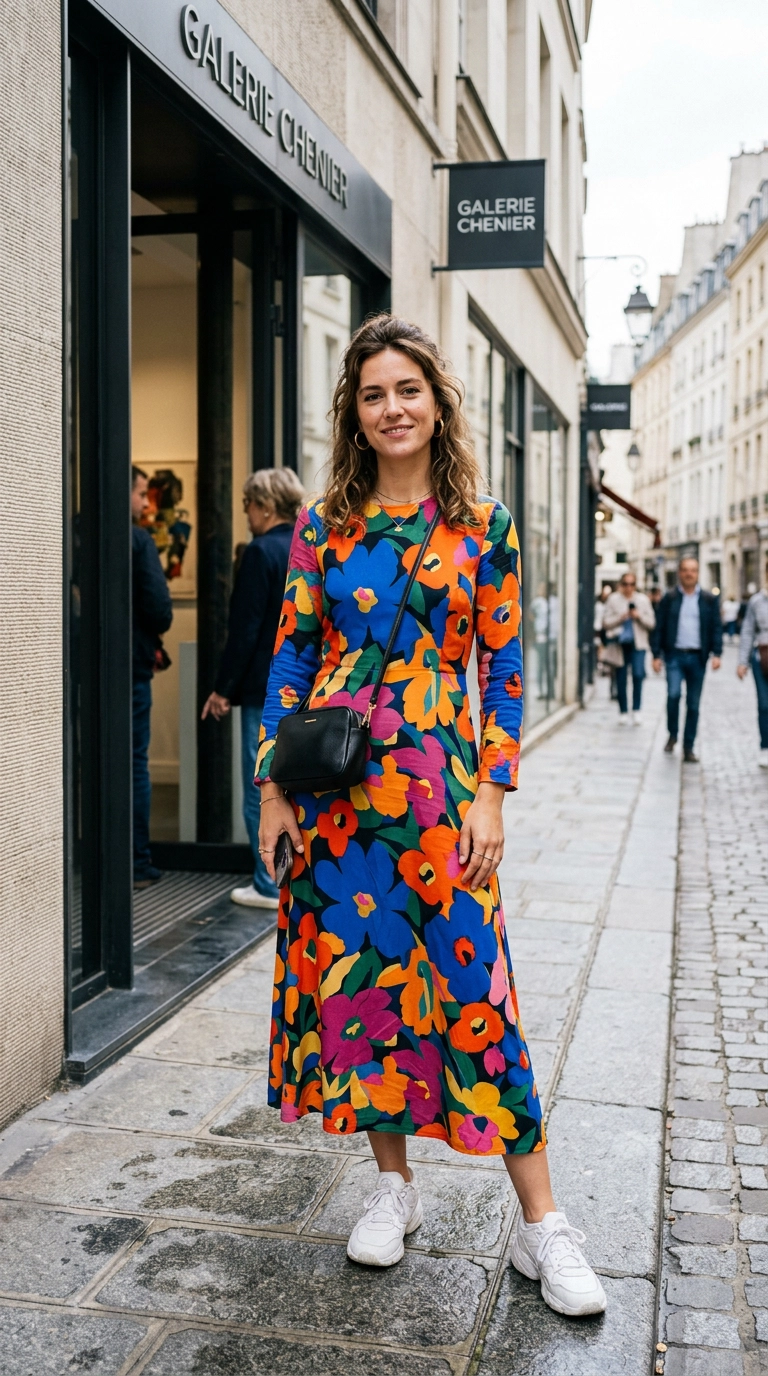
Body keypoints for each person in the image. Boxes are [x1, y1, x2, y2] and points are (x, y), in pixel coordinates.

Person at [256, 314, 606, 1317]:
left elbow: (502, 666)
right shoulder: (325, 523)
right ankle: (394, 1185)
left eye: (406, 387)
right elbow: (290, 654)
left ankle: (545, 1224)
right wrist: (274, 784)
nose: (391, 406)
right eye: (373, 393)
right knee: (362, 983)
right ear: (355, 414)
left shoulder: (483, 524)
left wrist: (494, 789)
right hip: (333, 800)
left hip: (440, 797)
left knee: (475, 991)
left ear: (436, 400)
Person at [202, 467, 306, 908]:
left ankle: (268, 885)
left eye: (247, 503)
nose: (244, 511)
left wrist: (222, 688)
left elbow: (244, 631)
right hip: (306, 689)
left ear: (264, 506)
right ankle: (290, 878)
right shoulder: (304, 547)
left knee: (260, 786)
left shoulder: (260, 552)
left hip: (265, 690)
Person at [131, 466, 173, 888]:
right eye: (141, 493)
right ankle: (137, 863)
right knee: (134, 763)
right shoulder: (138, 541)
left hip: (79, 670)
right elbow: (161, 609)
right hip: (131, 669)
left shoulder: (73, 533)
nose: (146, 503)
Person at [651, 556, 722, 762]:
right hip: (674, 656)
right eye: (685, 570)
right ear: (680, 573)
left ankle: (688, 746)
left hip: (698, 658)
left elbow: (716, 627)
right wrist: (656, 655)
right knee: (673, 696)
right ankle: (673, 733)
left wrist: (717, 654)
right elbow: (659, 627)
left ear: (697, 573)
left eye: (693, 570)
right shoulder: (670, 598)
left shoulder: (708, 599)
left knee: (693, 704)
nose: (689, 574)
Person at [601, 572, 655, 725]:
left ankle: (636, 709)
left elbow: (651, 623)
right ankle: (623, 711)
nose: (628, 587)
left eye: (632, 584)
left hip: (639, 644)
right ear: (621, 585)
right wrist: (621, 618)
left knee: (638, 675)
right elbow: (605, 622)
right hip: (619, 644)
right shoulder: (613, 600)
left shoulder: (643, 600)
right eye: (625, 584)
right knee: (621, 678)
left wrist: (638, 616)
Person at [737, 573, 768, 767]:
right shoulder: (757, 601)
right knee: (765, 704)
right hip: (762, 658)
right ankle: (766, 747)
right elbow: (748, 631)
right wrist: (742, 662)